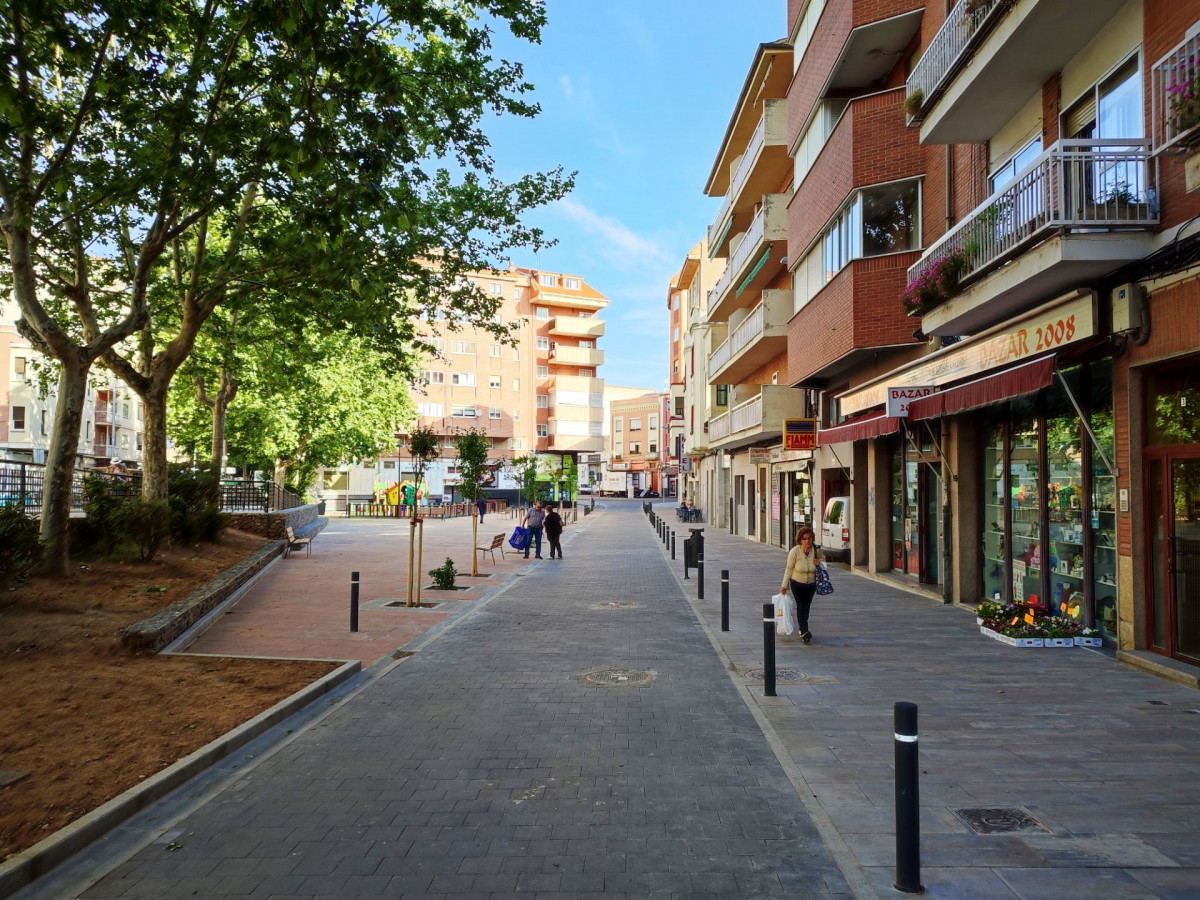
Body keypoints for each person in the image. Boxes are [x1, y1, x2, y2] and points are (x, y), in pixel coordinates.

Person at [781, 525, 825, 644]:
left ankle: (803, 628)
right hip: (797, 583)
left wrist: (819, 563)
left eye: (809, 538)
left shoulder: (816, 550)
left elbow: (824, 564)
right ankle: (804, 630)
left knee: (806, 606)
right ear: (800, 540)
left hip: (811, 584)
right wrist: (784, 586)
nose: (807, 541)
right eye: (804, 539)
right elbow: (789, 569)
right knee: (801, 605)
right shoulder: (795, 552)